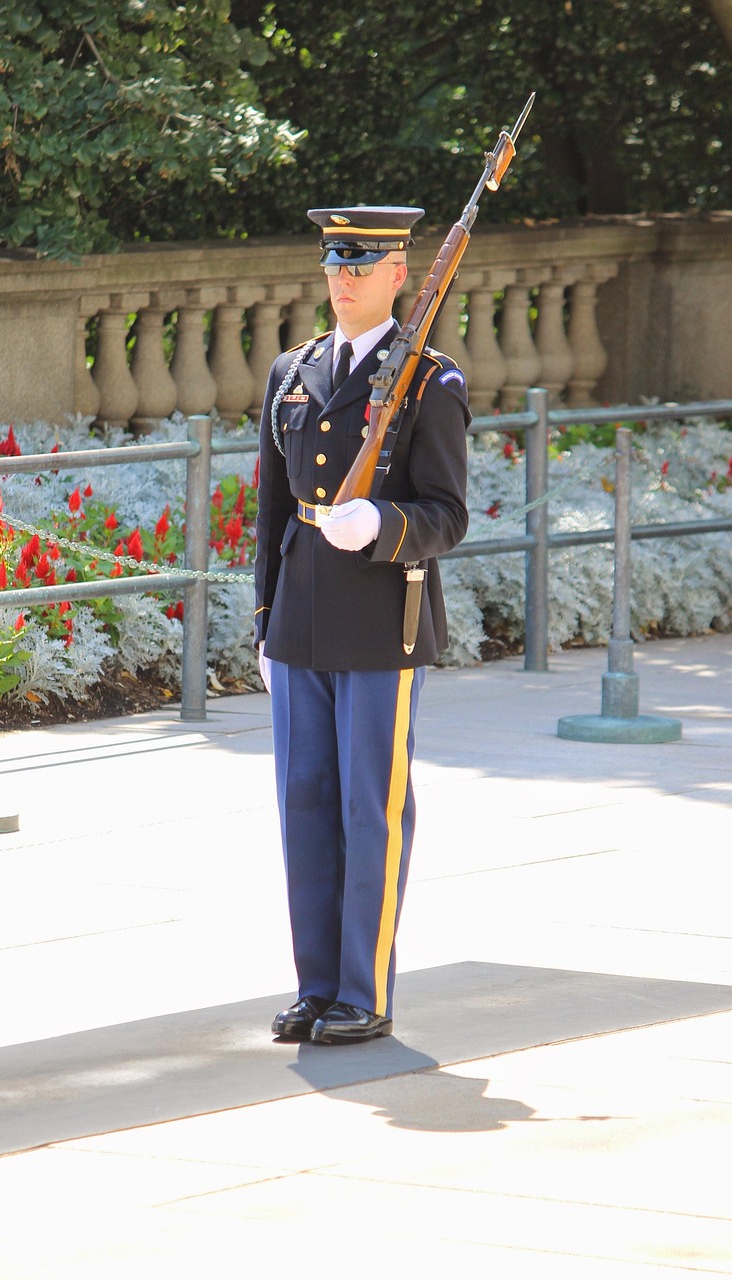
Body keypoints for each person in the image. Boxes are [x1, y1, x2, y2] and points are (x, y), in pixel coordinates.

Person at [254, 205, 470, 1045]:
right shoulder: (293, 370)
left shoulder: (428, 382)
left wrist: (382, 522)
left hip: (382, 620)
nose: (342, 279)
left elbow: (446, 514)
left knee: (367, 808)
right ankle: (316, 987)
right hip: (300, 616)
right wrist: (265, 623)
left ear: (397, 275)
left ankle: (363, 991)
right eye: (334, 264)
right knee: (304, 805)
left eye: (360, 266)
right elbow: (273, 511)